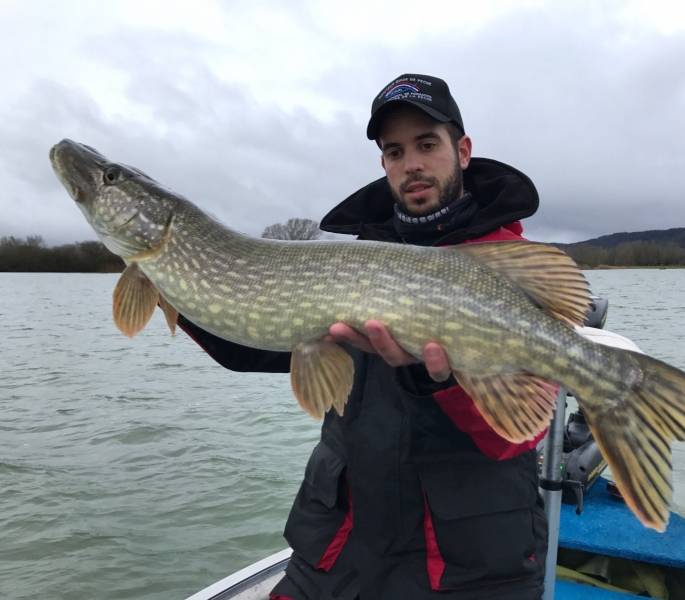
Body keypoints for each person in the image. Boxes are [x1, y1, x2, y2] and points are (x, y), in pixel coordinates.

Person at [177, 74, 548, 600]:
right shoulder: (348, 261)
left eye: (426, 144)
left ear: (462, 150)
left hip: (469, 568)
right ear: (383, 164)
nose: (411, 163)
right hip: (340, 550)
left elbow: (514, 431)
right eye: (394, 151)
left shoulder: (505, 265)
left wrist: (429, 376)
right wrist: (178, 278)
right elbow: (252, 344)